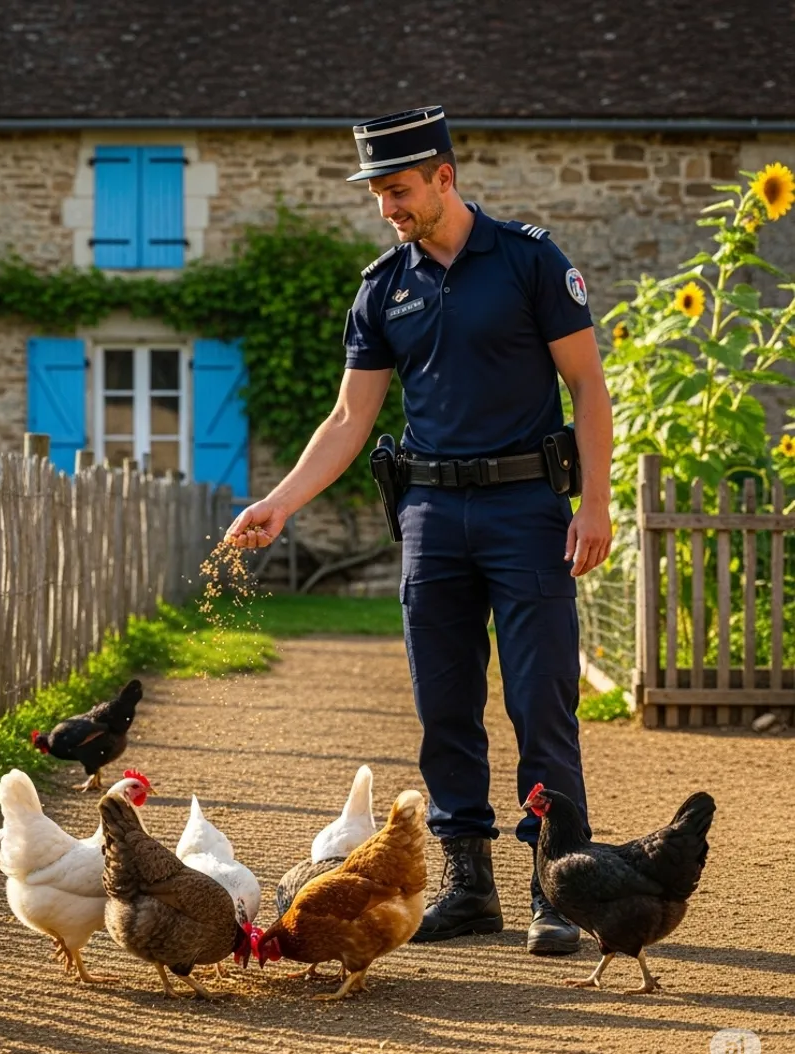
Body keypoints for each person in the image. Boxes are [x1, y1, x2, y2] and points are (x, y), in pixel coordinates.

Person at [225, 106, 613, 955]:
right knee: (444, 707)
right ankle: (468, 887)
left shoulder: (528, 260)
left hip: (526, 510)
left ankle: (559, 886)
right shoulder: (382, 288)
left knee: (540, 699)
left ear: (445, 174)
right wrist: (281, 501)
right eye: (377, 195)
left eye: (399, 190)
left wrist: (596, 502)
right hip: (431, 517)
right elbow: (347, 417)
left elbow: (587, 384)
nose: (388, 208)